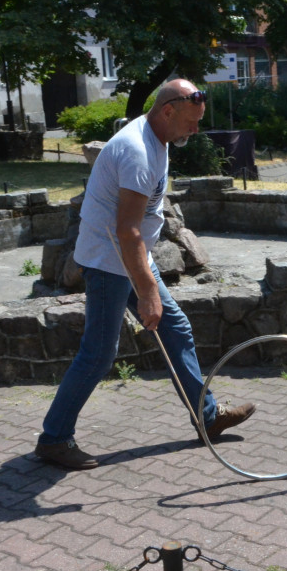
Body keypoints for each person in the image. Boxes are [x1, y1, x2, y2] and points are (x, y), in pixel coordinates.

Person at [35, 78, 256, 470]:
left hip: (132, 254)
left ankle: (207, 417)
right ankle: (54, 438)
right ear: (168, 110)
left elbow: (137, 230)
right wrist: (148, 290)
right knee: (99, 354)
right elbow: (127, 230)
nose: (196, 129)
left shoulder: (160, 139)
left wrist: (147, 279)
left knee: (176, 329)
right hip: (109, 260)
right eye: (191, 121)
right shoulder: (137, 151)